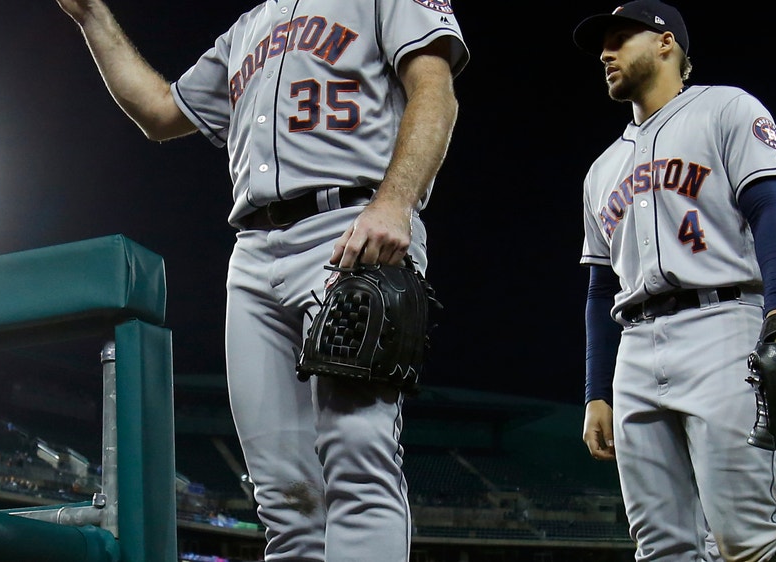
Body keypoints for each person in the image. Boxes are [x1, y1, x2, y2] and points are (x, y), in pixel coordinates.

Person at [53, 1, 469, 560]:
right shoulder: (246, 29)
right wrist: (92, 19)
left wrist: (395, 201)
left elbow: (435, 92)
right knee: (285, 496)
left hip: (354, 228)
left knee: (358, 459)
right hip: (252, 251)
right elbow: (158, 111)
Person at [573, 1, 776, 560]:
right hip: (634, 345)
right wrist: (596, 394)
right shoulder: (600, 170)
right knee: (661, 547)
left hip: (723, 324)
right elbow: (599, 290)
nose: (606, 53)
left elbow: (773, 212)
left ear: (665, 42)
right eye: (602, 46)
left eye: (619, 38)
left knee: (746, 536)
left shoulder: (726, 108)